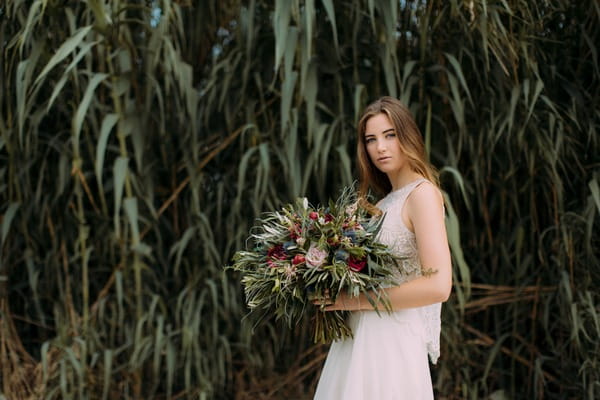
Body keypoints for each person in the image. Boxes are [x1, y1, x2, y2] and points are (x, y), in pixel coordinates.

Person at [313, 96, 452, 399]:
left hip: (392, 340)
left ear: (408, 136)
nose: (380, 147)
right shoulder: (384, 203)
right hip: (360, 335)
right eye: (371, 140)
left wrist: (352, 300)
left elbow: (440, 285)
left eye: (390, 135)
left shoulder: (422, 195)